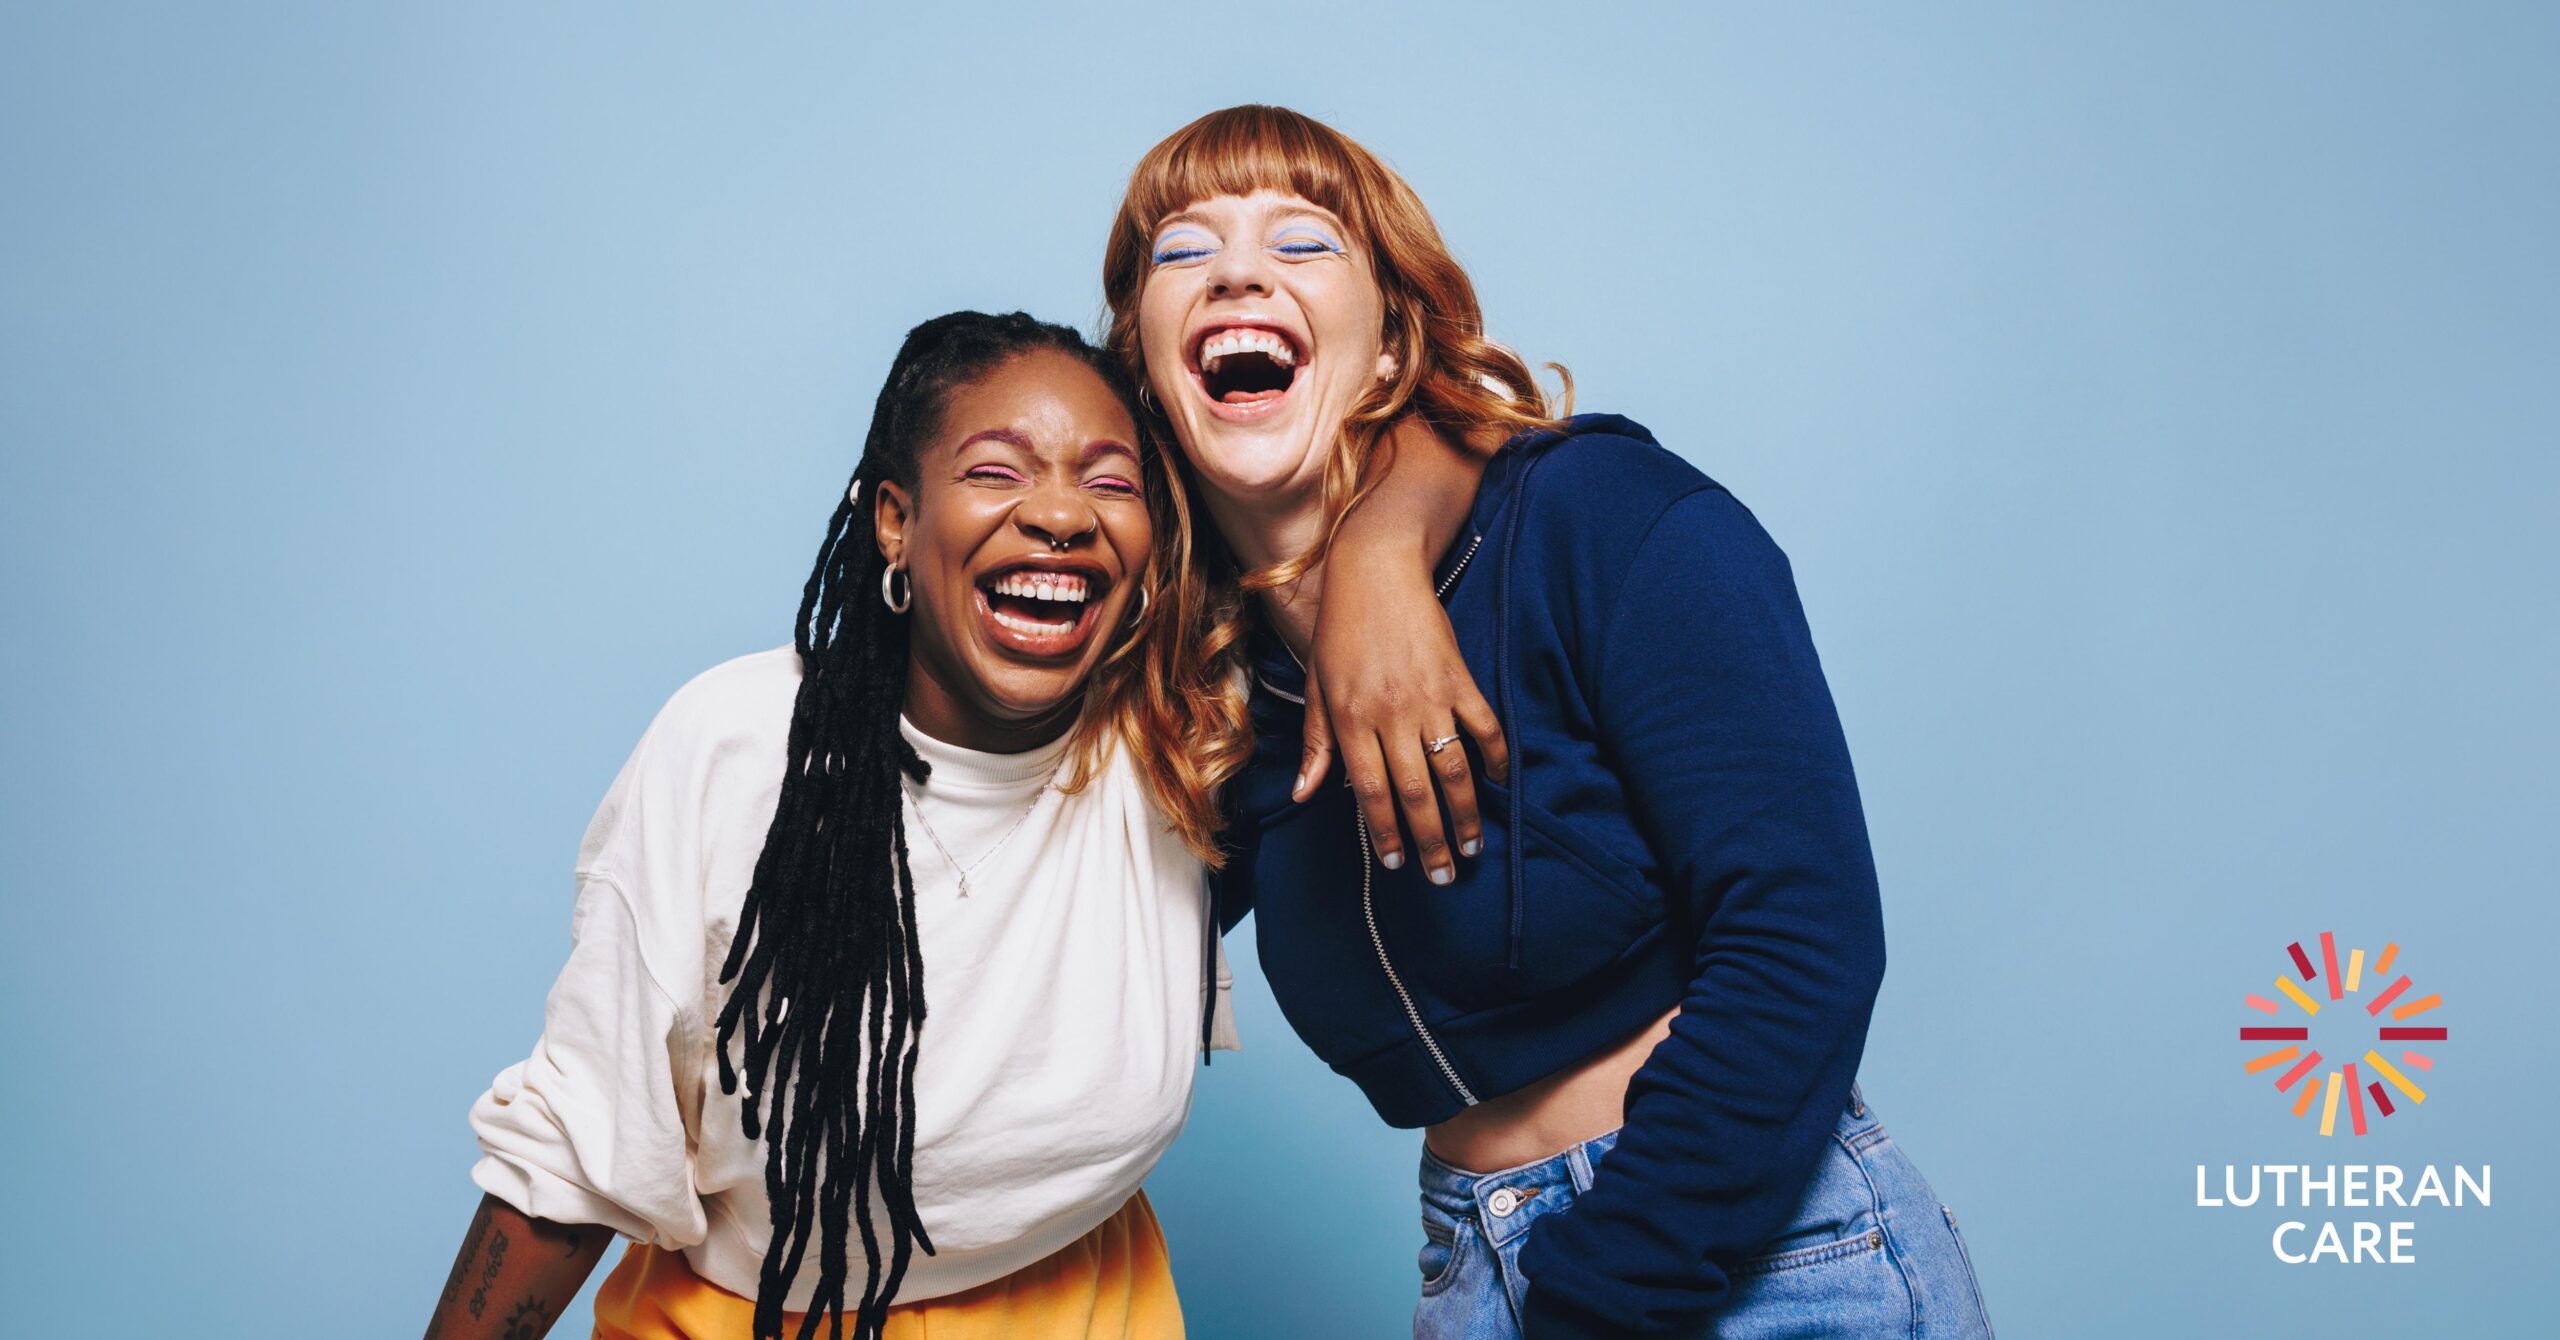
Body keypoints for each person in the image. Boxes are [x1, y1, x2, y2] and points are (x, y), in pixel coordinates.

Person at [1102, 106, 1999, 1338]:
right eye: (1182, 251)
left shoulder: (1598, 518)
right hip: (1472, 1269)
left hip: (1761, 1262)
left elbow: (1803, 940)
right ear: (1145, 362)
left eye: (1302, 243)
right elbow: (1060, 930)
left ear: (1384, 349)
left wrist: (1598, 1292)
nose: (1240, 269)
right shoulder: (1218, 692)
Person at [422, 311, 1255, 1340]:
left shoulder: (1182, 740)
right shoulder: (735, 746)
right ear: (896, 521)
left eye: (1110, 480)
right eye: (996, 471)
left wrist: (1385, 569)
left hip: (1089, 1309)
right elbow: (583, 1138)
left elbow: (1343, 497)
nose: (1058, 513)